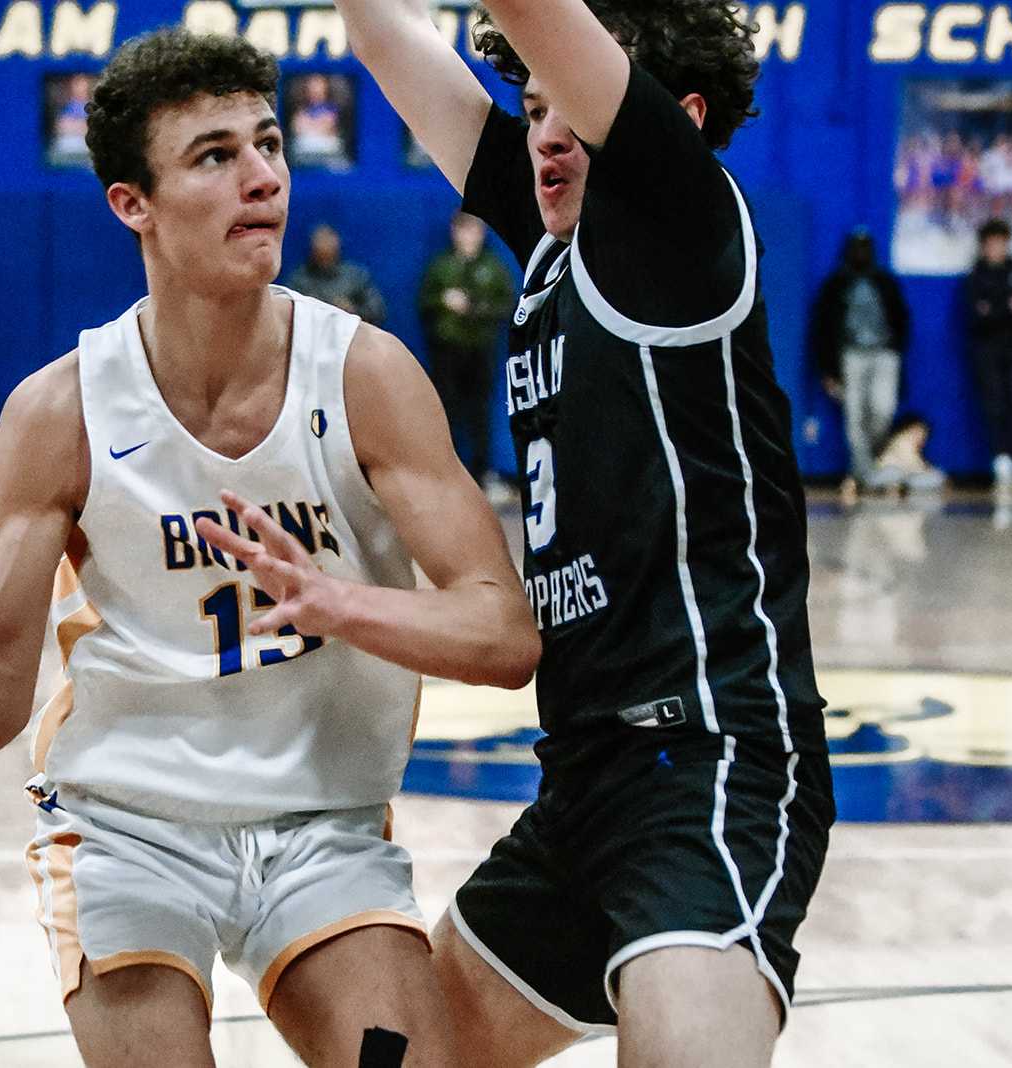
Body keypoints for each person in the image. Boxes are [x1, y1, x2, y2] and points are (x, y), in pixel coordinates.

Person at [0, 28, 538, 1068]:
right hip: (128, 830)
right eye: (215, 156)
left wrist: (342, 605)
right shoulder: (61, 410)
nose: (261, 177)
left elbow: (504, 631)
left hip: (324, 825)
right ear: (133, 203)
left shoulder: (365, 378)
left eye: (267, 144)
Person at [336, 0, 835, 1062]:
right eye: (528, 109)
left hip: (708, 757)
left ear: (673, 121)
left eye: (567, 104)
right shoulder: (552, 242)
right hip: (583, 779)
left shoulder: (675, 216)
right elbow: (385, 40)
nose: (542, 131)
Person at [809, 229, 911, 502]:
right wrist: (828, 370)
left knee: (882, 409)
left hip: (884, 354)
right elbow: (822, 330)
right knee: (854, 418)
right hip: (851, 355)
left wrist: (896, 350)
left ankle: (877, 462)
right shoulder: (835, 284)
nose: (861, 254)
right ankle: (864, 476)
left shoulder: (885, 282)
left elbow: (902, 319)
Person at [418, 212, 515, 494]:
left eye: (473, 230)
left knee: (479, 413)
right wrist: (443, 301)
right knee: (446, 410)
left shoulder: (493, 268)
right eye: (463, 230)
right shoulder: (441, 266)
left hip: (481, 349)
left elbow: (505, 304)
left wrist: (473, 307)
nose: (468, 236)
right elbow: (425, 301)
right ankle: (444, 474)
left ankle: (481, 473)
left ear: (481, 233)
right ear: (454, 232)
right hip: (447, 350)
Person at [965, 217, 1012, 497]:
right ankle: (1001, 462)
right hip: (988, 349)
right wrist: (1006, 309)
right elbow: (978, 314)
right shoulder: (977, 275)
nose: (996, 248)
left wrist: (1002, 310)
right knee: (994, 403)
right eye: (991, 243)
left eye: (1001, 242)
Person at [286, 224, 386, 326]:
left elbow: (377, 311)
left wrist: (353, 310)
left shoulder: (356, 276)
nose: (324, 245)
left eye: (328, 239)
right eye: (319, 240)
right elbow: (287, 315)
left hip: (351, 336)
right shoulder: (299, 279)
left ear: (337, 243)